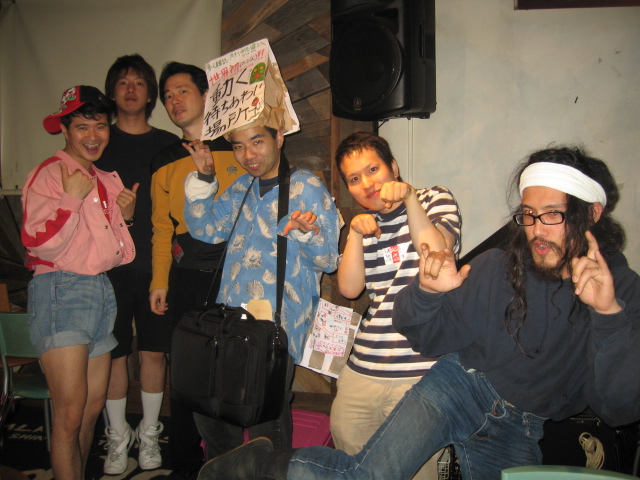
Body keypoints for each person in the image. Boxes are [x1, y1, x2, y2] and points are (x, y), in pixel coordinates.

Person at [198, 146, 640, 480]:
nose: (537, 230)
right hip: (458, 387)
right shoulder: (497, 267)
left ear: (591, 213)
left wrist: (609, 316)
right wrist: (427, 292)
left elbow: (619, 410)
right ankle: (260, 465)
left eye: (552, 215)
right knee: (367, 474)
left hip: (522, 426)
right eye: (528, 215)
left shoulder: (622, 293)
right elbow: (422, 334)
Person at [183, 121, 341, 460]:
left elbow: (329, 260)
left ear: (279, 138)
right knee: (215, 418)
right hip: (231, 322)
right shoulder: (244, 186)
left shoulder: (308, 187)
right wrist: (206, 178)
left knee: (266, 428)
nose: (248, 154)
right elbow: (207, 229)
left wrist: (306, 233)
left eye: (257, 142)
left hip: (275, 329)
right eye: (238, 146)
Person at [21, 85, 137, 480]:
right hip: (59, 288)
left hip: (99, 289)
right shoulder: (50, 174)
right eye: (82, 126)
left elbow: (117, 252)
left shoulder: (103, 178)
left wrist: (126, 217)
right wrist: (70, 201)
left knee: (91, 409)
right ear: (65, 129)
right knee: (70, 414)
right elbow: (38, 243)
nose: (93, 135)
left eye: (100, 126)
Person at [330, 132, 461, 480]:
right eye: (354, 179)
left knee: (419, 471)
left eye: (373, 169)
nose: (366, 184)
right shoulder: (363, 225)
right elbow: (349, 288)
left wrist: (410, 199)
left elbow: (436, 254)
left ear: (394, 167)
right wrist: (355, 233)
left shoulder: (433, 199)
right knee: (352, 466)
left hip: (421, 371)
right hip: (363, 368)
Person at [149, 61, 245, 478]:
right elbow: (160, 229)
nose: (174, 101)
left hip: (236, 270)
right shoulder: (164, 160)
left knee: (231, 369)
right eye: (168, 95)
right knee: (186, 372)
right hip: (186, 275)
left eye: (183, 91)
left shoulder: (239, 145)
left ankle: (229, 464)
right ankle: (185, 465)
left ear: (206, 95)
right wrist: (159, 282)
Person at [96, 54, 180, 474]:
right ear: (112, 93)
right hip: (106, 269)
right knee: (113, 354)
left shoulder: (168, 144)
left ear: (150, 95)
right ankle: (117, 435)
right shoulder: (97, 142)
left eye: (139, 83)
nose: (131, 89)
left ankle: (149, 433)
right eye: (123, 82)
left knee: (153, 352)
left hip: (156, 268)